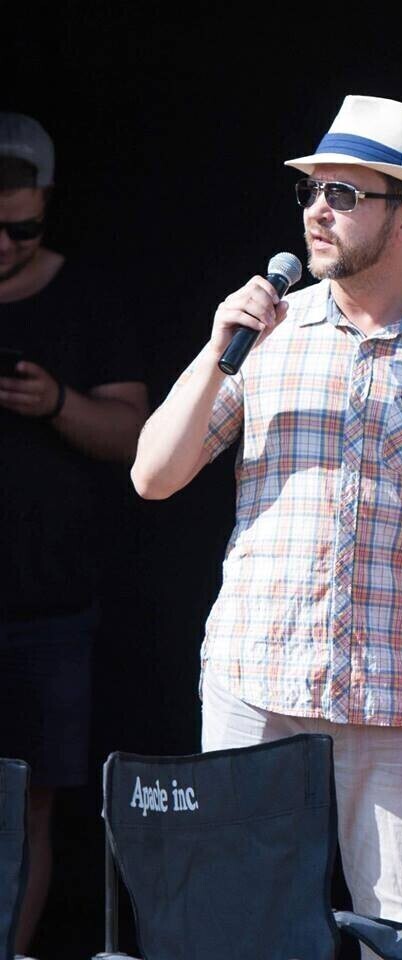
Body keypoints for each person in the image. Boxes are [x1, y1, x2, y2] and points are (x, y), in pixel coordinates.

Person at [131, 94, 402, 952]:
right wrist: (215, 350)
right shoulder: (264, 335)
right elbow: (152, 477)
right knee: (240, 935)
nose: (317, 210)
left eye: (344, 195)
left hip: (396, 699)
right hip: (254, 683)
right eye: (311, 191)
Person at [0, 112, 149, 954]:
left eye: (20, 229)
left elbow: (140, 442)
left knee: (30, 805)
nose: (3, 244)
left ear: (47, 205)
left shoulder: (86, 296)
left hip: (47, 606)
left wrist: (56, 402)